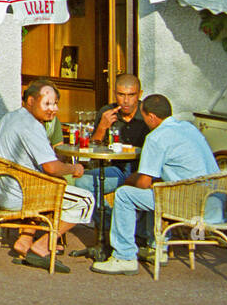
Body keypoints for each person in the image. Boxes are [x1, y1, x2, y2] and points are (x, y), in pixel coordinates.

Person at [92, 94, 219, 276]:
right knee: (159, 189)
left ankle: (124, 256)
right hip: (214, 202)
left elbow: (143, 183)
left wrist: (129, 180)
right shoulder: (189, 128)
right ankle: (157, 248)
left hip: (189, 205)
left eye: (144, 118)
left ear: (151, 117)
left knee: (125, 194)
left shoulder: (156, 137)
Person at [0, 78, 95, 273]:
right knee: (86, 200)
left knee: (55, 185)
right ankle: (42, 247)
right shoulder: (31, 126)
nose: (52, 109)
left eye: (55, 104)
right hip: (18, 194)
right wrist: (74, 169)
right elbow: (51, 168)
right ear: (30, 101)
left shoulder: (10, 117)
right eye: (47, 103)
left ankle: (25, 240)